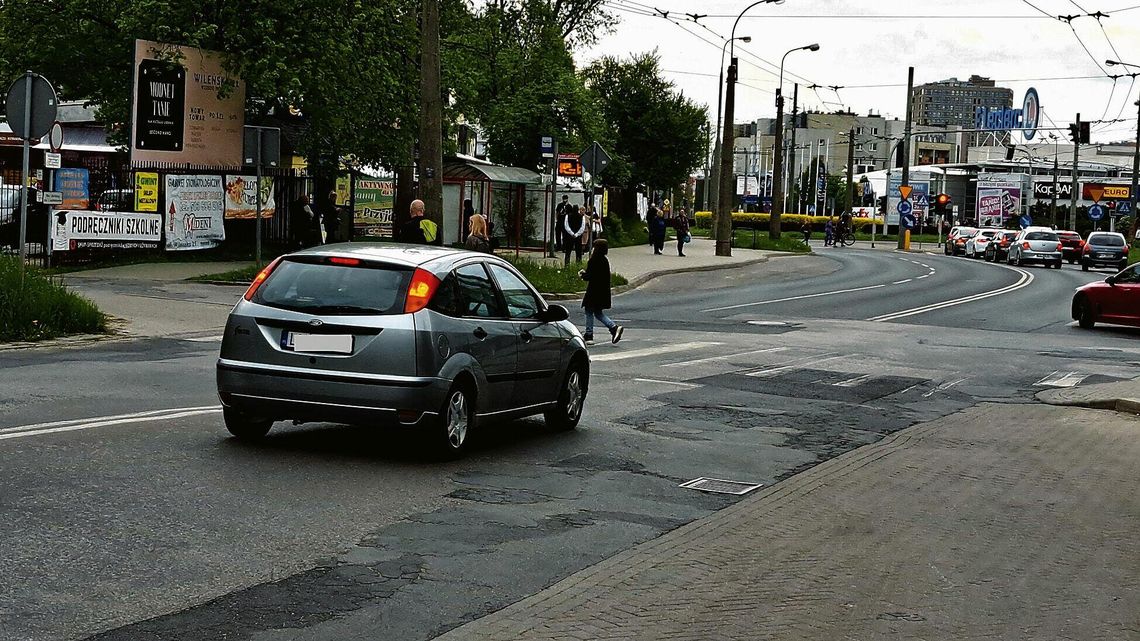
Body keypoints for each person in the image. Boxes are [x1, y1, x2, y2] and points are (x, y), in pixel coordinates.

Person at [578, 238, 624, 345]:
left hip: (593, 291)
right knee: (598, 313)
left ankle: (589, 335)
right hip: (603, 291)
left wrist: (582, 275)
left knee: (589, 311)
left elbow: (590, 276)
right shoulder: (605, 260)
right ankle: (613, 328)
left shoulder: (593, 260)